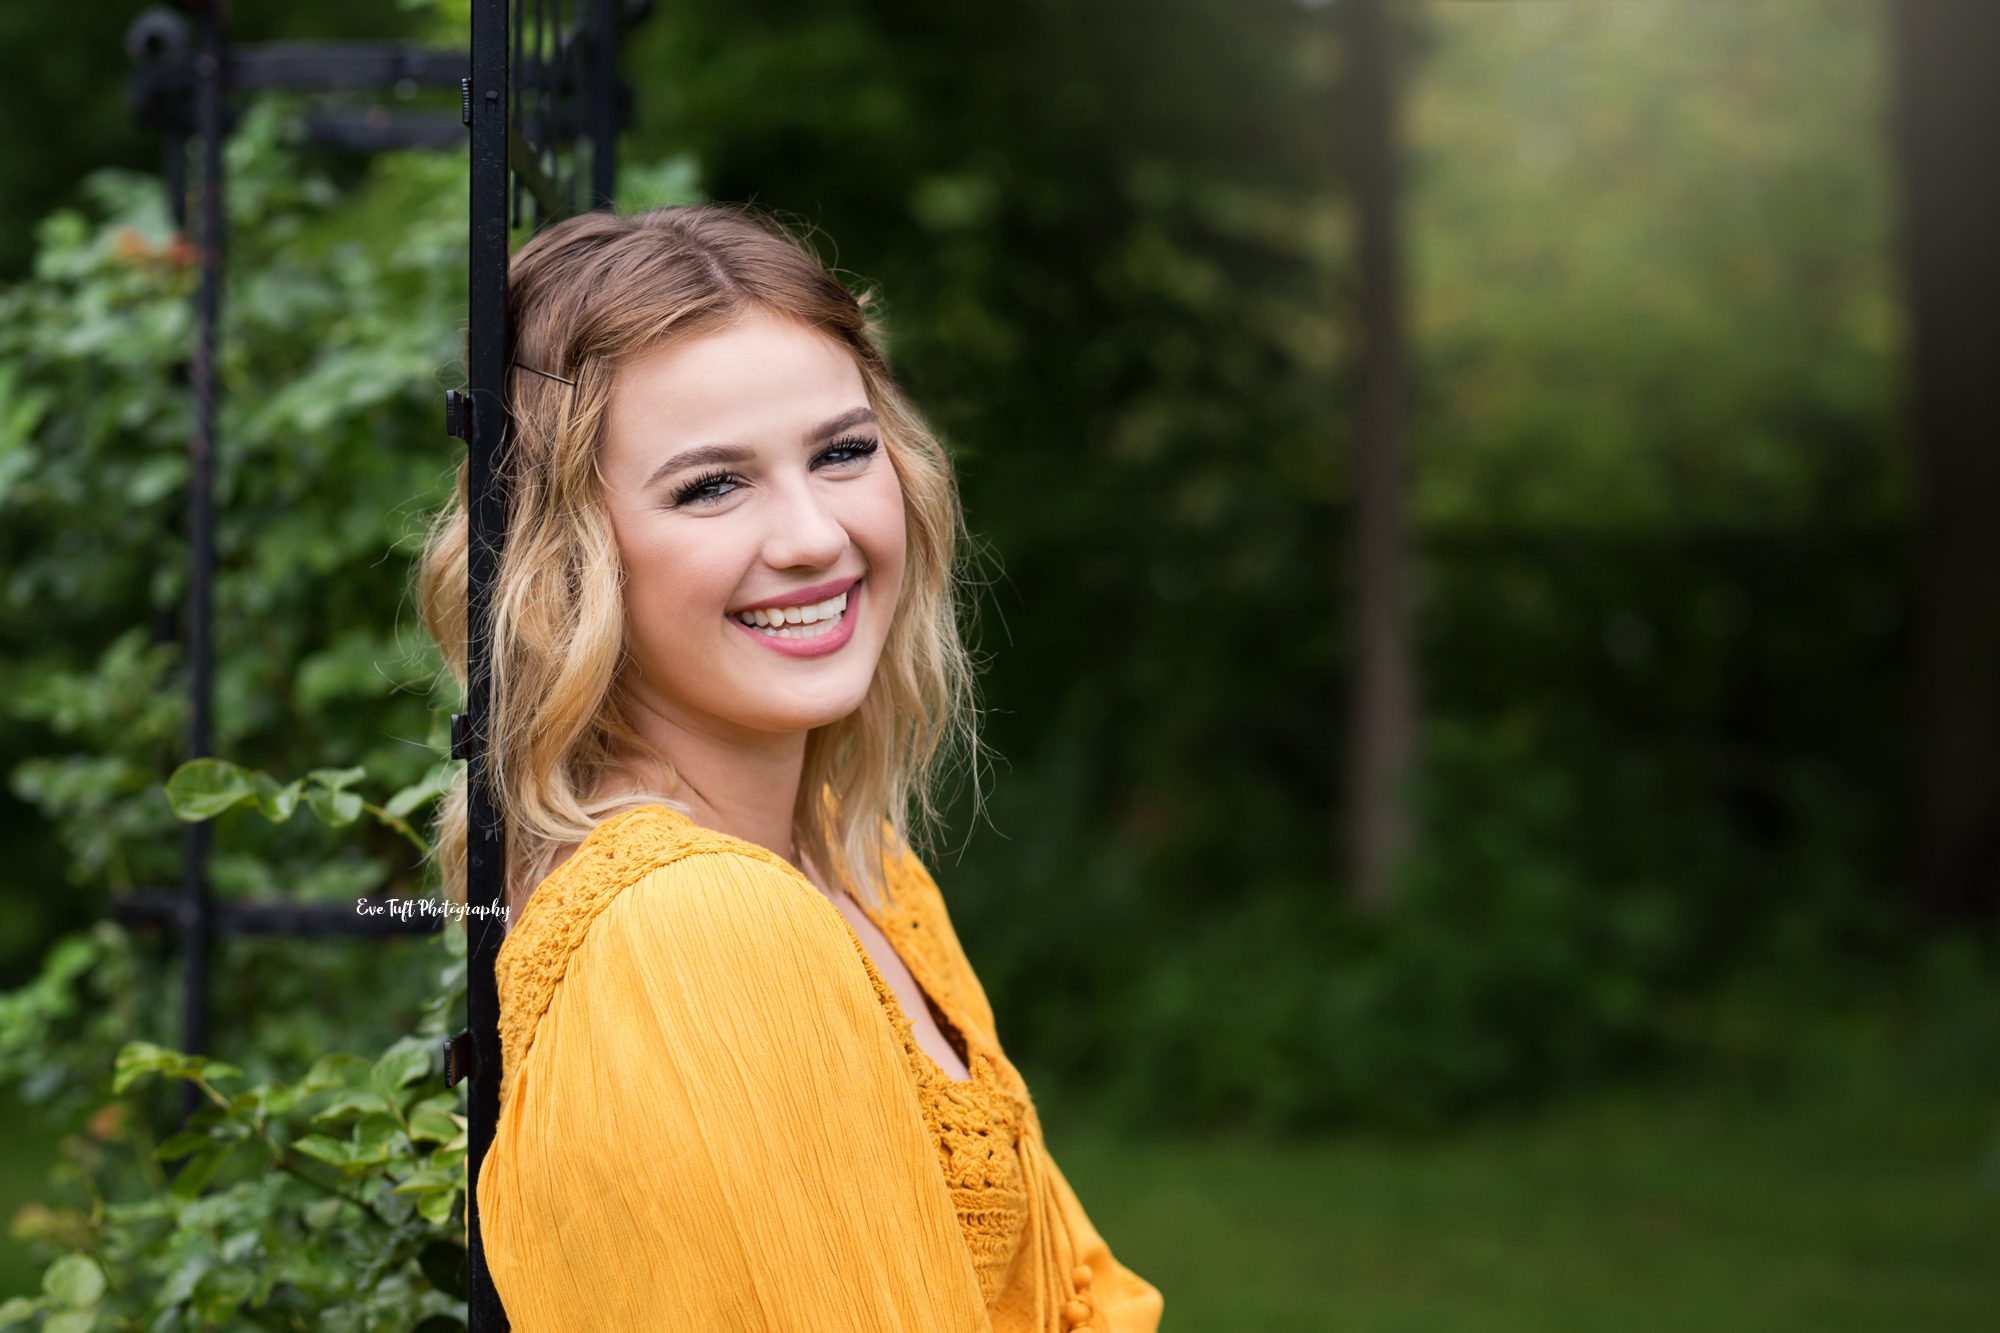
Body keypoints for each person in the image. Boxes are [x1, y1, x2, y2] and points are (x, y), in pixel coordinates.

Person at [418, 203, 1164, 1331]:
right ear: (570, 555)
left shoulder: (857, 863)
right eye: (711, 484)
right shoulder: (692, 929)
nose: (813, 533)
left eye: (841, 451)